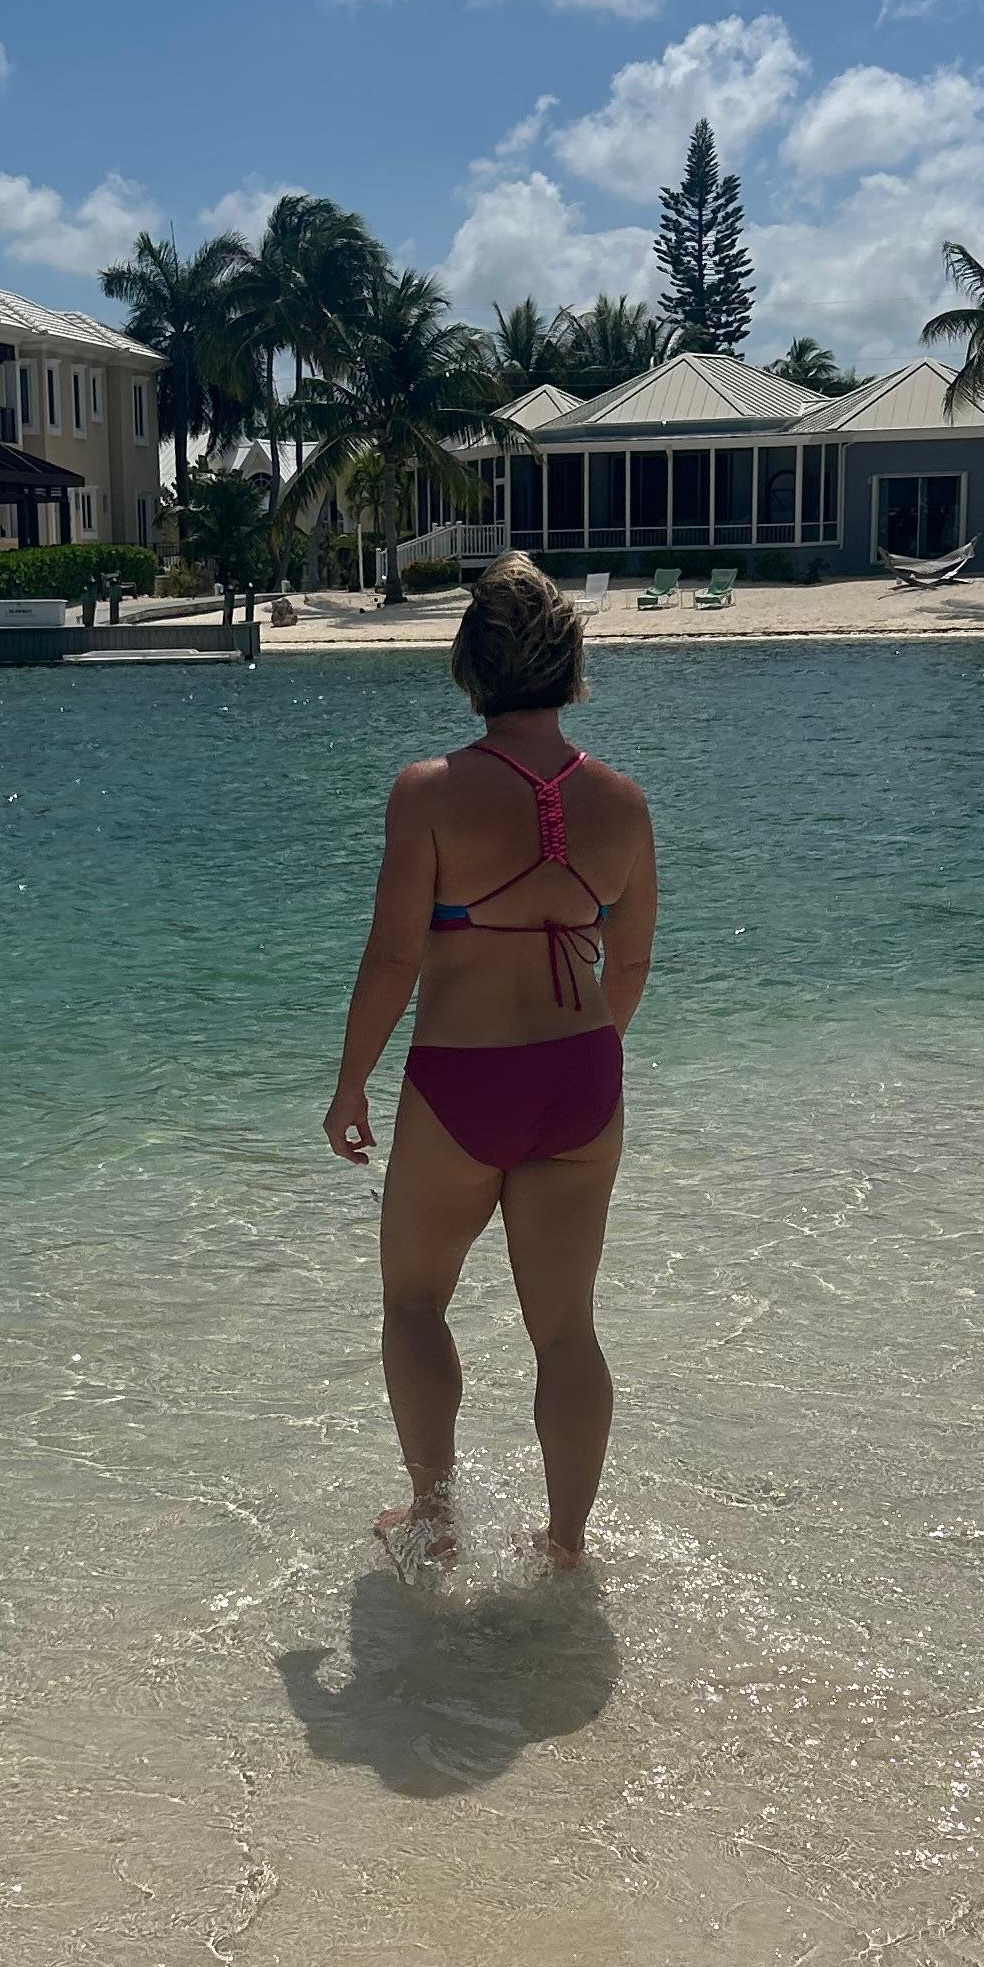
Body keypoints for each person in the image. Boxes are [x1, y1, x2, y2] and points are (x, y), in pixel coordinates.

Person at [324, 557, 657, 1568]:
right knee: (567, 1330)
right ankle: (565, 1544)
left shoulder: (428, 792)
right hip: (582, 1078)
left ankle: (433, 1521)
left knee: (415, 1300)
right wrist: (584, 1068)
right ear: (571, 665)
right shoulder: (624, 802)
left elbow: (393, 955)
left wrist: (350, 1084)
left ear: (470, 667)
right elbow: (629, 963)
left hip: (464, 1079)